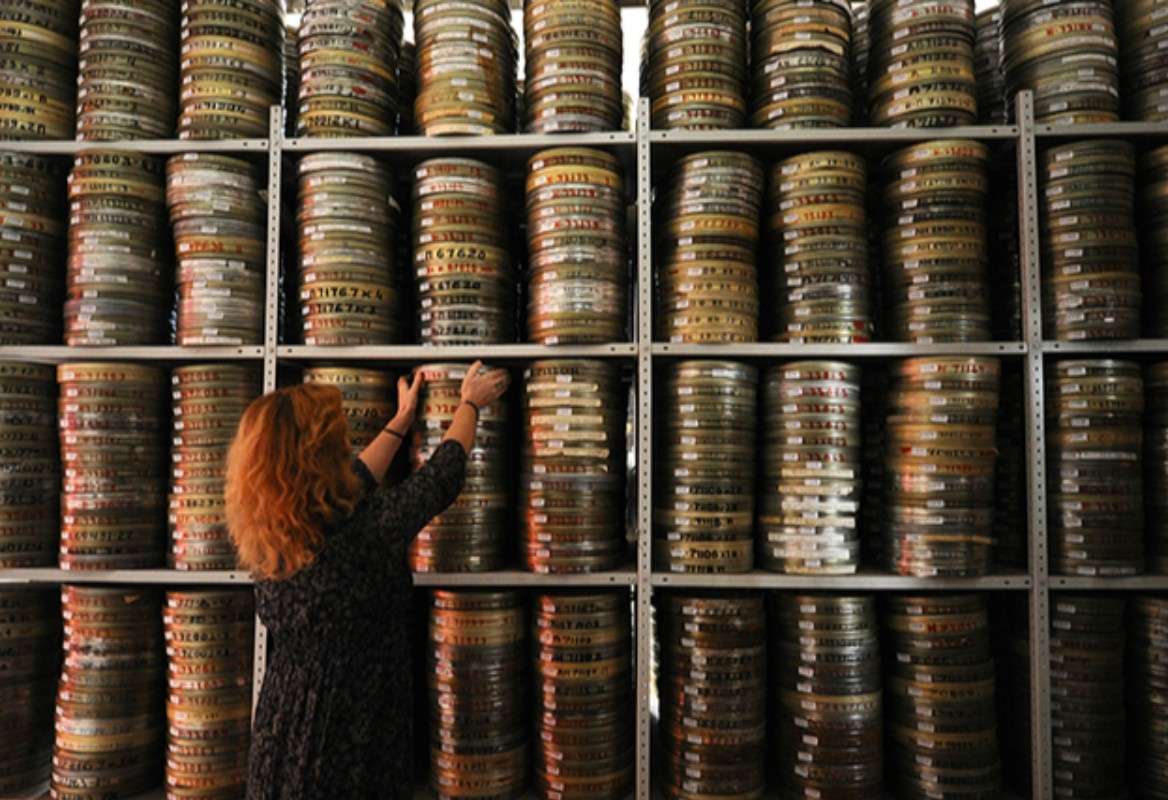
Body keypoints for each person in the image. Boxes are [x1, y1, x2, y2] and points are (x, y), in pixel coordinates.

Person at [225, 361, 510, 800]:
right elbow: (440, 479)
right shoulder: (363, 534)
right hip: (346, 728)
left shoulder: (274, 530)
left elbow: (355, 479)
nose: (346, 441)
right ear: (318, 454)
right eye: (336, 436)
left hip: (286, 719)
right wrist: (470, 404)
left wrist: (401, 422)